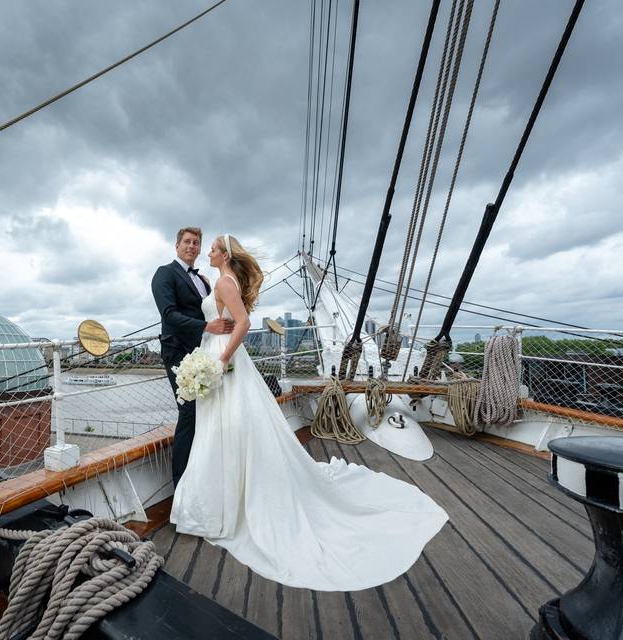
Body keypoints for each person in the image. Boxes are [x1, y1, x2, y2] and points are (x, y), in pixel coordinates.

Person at [169, 233, 449, 592]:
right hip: (215, 353)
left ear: (224, 254)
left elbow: (243, 323)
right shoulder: (220, 280)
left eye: (211, 248)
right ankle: (224, 498)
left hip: (222, 358)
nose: (206, 251)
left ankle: (223, 504)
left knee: (226, 427)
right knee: (223, 426)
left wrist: (220, 361)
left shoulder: (223, 281)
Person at [151, 227, 234, 487]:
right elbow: (169, 315)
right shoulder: (164, 273)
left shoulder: (205, 281)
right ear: (177, 246)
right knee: (188, 412)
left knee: (207, 411)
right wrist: (207, 327)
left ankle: (203, 476)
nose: (192, 246)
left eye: (196, 243)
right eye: (187, 242)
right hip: (177, 351)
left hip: (202, 353)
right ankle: (181, 485)